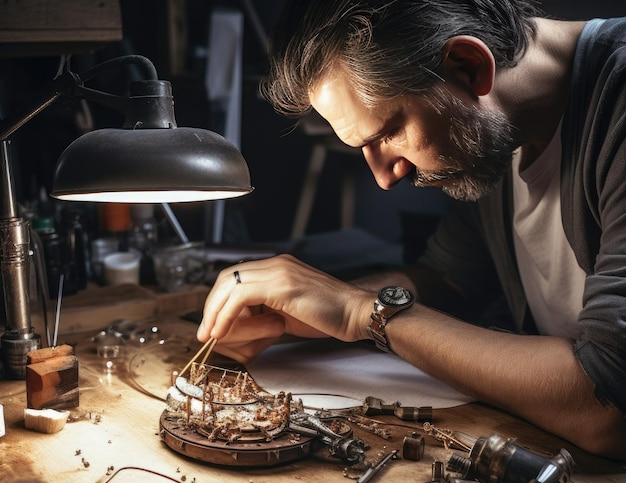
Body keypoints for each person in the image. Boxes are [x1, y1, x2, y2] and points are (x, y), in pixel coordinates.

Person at [197, 0, 626, 459]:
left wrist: (361, 312)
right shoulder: (494, 129)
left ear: (468, 65)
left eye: (387, 134)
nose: (385, 177)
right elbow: (450, 281)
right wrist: (311, 307)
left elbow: (608, 408)